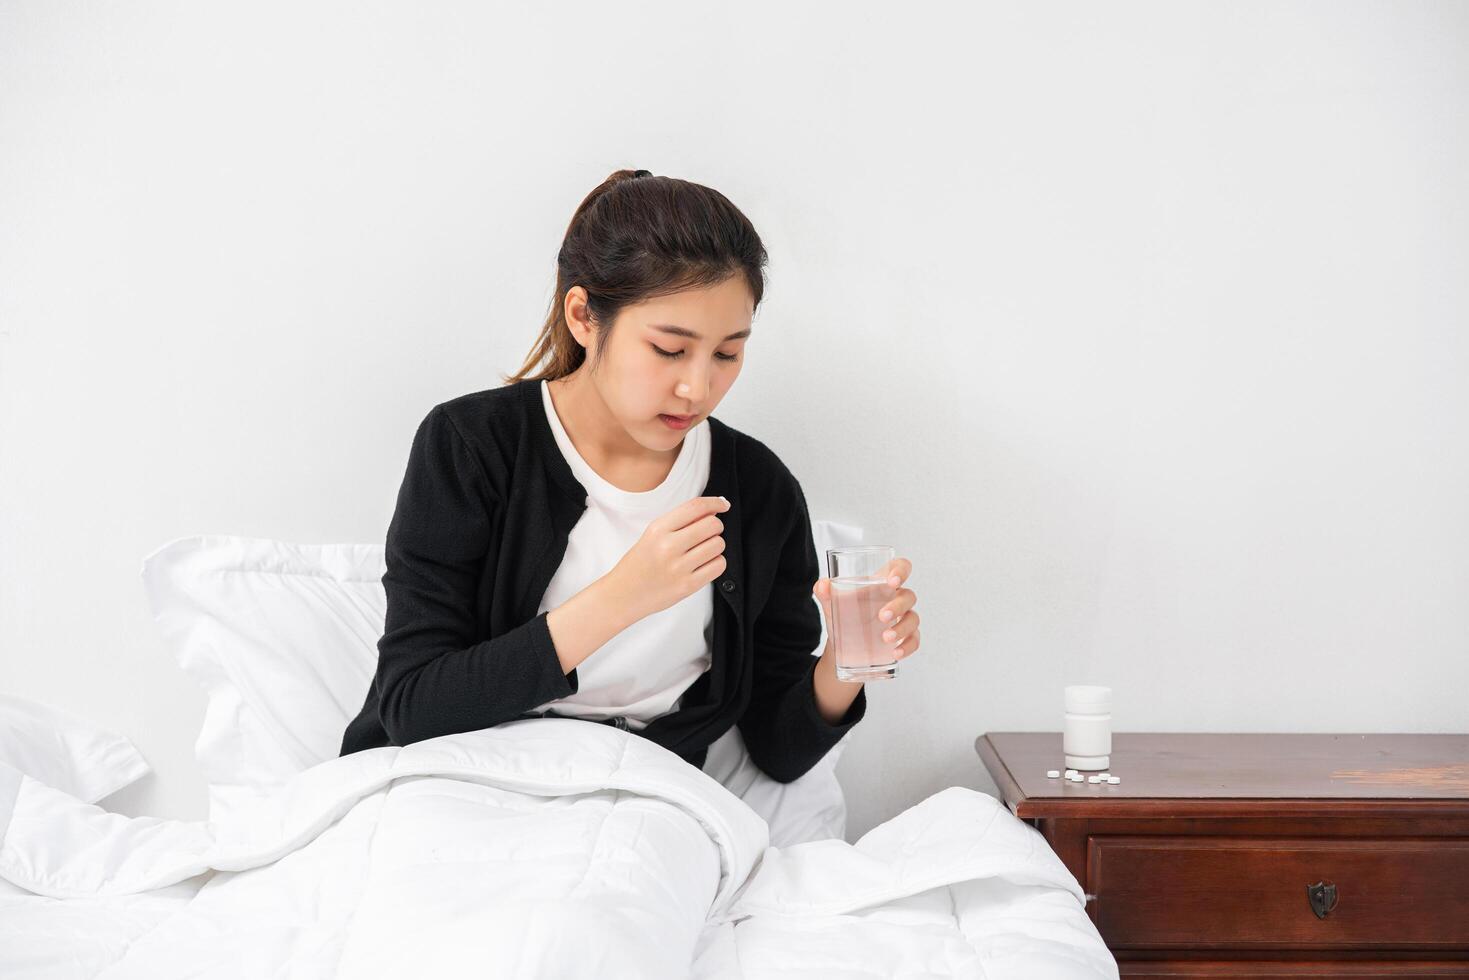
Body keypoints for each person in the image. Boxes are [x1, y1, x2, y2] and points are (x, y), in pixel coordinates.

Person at [338, 169, 922, 782]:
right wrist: (625, 596)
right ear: (584, 317)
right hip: (456, 775)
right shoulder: (471, 446)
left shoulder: (759, 489)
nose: (698, 387)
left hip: (638, 795)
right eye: (670, 349)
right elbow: (412, 707)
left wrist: (847, 662)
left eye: (727, 352)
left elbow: (779, 750)